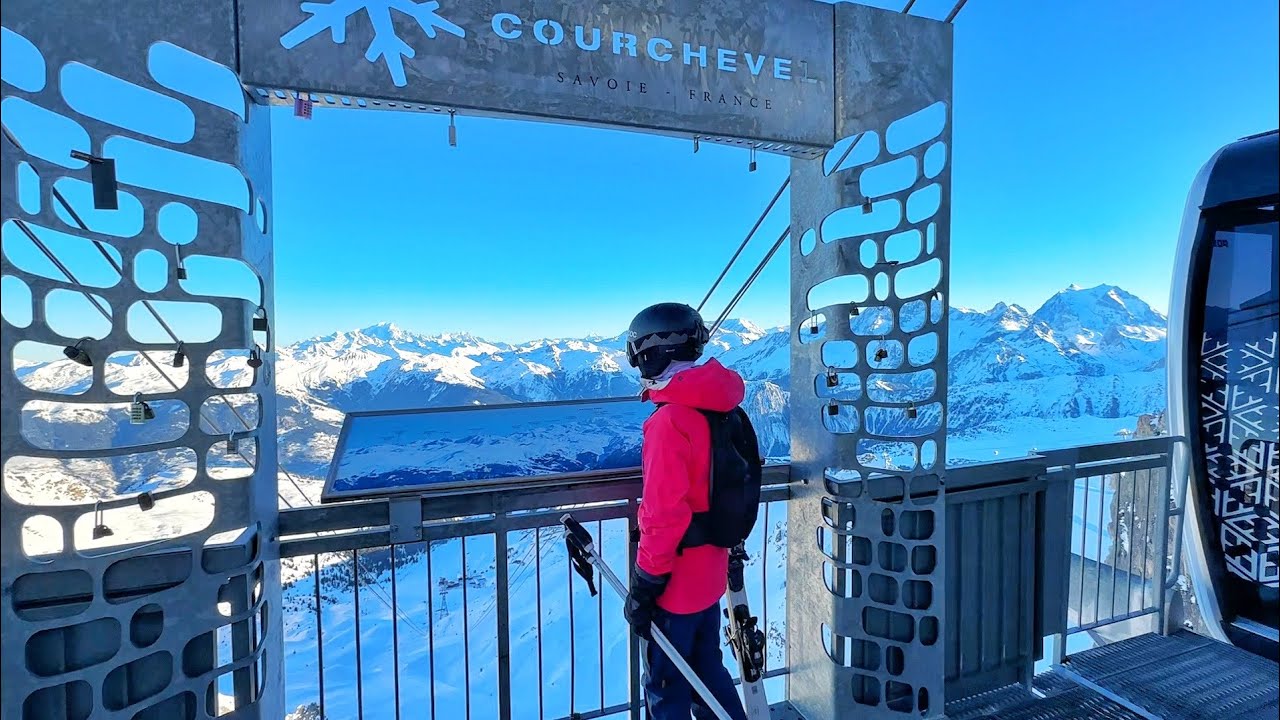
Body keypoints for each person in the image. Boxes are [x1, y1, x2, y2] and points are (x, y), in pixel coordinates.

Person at [622, 302, 750, 720]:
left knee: (666, 686)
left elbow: (662, 514)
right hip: (709, 571)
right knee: (707, 672)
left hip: (675, 583)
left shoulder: (670, 421)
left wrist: (646, 584)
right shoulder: (722, 405)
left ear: (649, 354)